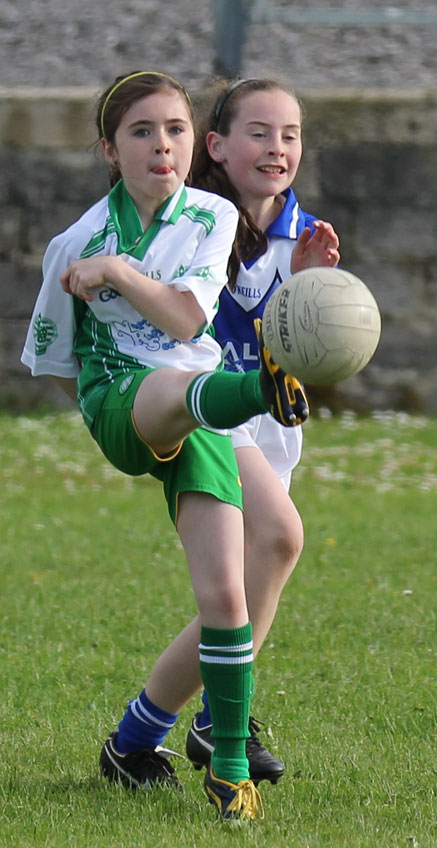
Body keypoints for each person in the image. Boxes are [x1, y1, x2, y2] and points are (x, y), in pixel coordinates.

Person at [21, 70, 309, 822]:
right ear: (110, 149)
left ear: (192, 142)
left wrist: (117, 273)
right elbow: (54, 363)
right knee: (163, 390)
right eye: (142, 132)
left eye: (175, 130)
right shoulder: (74, 243)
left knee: (237, 583)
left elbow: (186, 321)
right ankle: (261, 389)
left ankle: (217, 771)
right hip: (126, 402)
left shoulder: (210, 215)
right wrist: (105, 420)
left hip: (195, 401)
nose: (163, 146)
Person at [185, 77, 340, 779]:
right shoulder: (191, 227)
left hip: (271, 428)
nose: (278, 147)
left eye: (290, 134)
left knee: (236, 599)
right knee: (281, 537)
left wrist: (310, 290)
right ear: (216, 146)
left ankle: (143, 730)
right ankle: (224, 723)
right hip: (206, 414)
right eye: (260, 132)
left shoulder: (301, 233)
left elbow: (299, 359)